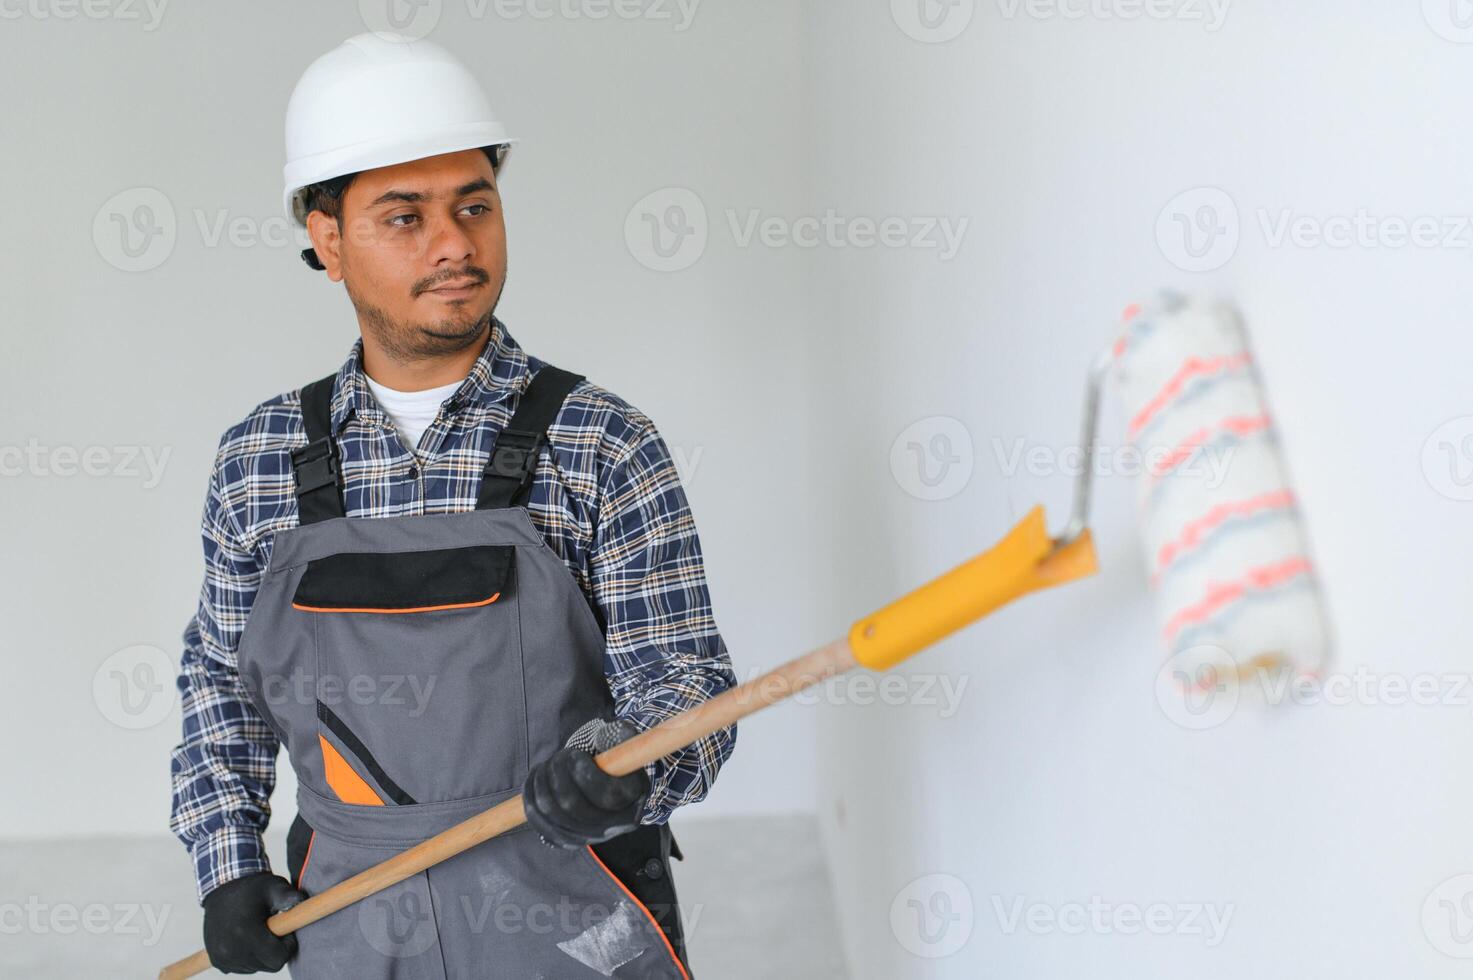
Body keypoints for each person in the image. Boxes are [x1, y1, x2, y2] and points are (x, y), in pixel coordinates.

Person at [167, 32, 736, 978]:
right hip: (353, 917)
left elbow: (687, 685)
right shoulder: (260, 462)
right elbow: (222, 692)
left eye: (475, 205)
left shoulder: (601, 444)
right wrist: (227, 865)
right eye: (404, 216)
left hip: (571, 909)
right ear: (328, 240)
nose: (455, 243)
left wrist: (622, 765)